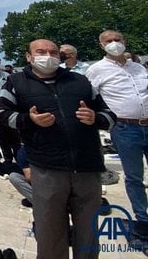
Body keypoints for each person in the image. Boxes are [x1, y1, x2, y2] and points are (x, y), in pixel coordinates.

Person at [0, 38, 116, 259]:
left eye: (53, 52)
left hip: (87, 166)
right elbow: (2, 115)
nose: (48, 56)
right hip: (47, 167)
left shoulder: (80, 81)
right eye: (41, 52)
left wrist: (95, 118)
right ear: (29, 57)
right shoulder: (16, 82)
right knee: (50, 231)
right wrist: (29, 119)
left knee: (88, 231)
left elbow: (109, 115)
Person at [85, 30, 148, 248]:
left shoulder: (138, 68)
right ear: (101, 45)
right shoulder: (96, 70)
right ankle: (143, 219)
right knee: (134, 176)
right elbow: (88, 98)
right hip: (124, 127)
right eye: (108, 41)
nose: (114, 44)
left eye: (117, 40)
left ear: (125, 41)